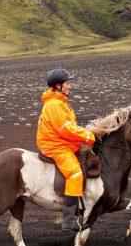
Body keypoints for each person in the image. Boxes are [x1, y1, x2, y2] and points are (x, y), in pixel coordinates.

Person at [36, 68, 95, 232]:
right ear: (58, 86)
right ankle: (69, 220)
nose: (70, 86)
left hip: (62, 142)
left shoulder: (61, 103)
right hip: (55, 146)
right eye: (68, 83)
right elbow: (66, 129)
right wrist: (89, 136)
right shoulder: (55, 105)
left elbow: (70, 127)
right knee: (75, 175)